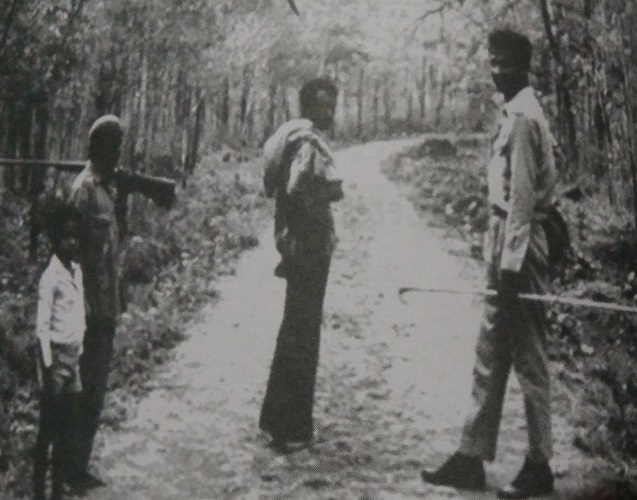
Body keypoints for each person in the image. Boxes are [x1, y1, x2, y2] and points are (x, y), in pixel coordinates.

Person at [420, 29, 558, 499]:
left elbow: (521, 200)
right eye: (493, 62)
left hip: (518, 247)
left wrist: (510, 268)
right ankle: (471, 456)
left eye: (507, 63)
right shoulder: (512, 112)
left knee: (529, 358)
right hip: (504, 240)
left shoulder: (522, 119)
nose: (498, 71)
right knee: (489, 354)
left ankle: (540, 464)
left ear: (524, 67)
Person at [259, 78, 343, 452]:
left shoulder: (297, 138)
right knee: (301, 333)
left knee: (297, 329)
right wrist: (310, 228)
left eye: (332, 105)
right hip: (307, 250)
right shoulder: (308, 144)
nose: (330, 113)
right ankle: (288, 425)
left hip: (301, 248)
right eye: (324, 106)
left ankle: (284, 422)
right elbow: (296, 191)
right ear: (309, 107)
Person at [65, 115, 124, 489]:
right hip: (85, 308)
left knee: (95, 390)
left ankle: (77, 465)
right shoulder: (83, 191)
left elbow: (110, 250)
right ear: (96, 148)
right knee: (80, 390)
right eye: (112, 146)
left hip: (105, 304)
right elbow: (69, 254)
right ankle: (68, 469)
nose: (118, 154)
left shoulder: (107, 189)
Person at [32, 200, 84, 500]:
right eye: (66, 236)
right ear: (54, 239)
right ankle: (39, 490)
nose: (72, 242)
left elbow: (77, 315)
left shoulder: (75, 271)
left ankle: (57, 490)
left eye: (75, 236)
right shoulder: (50, 277)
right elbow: (42, 326)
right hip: (55, 362)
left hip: (73, 359)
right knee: (47, 431)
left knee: (66, 428)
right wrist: (48, 366)